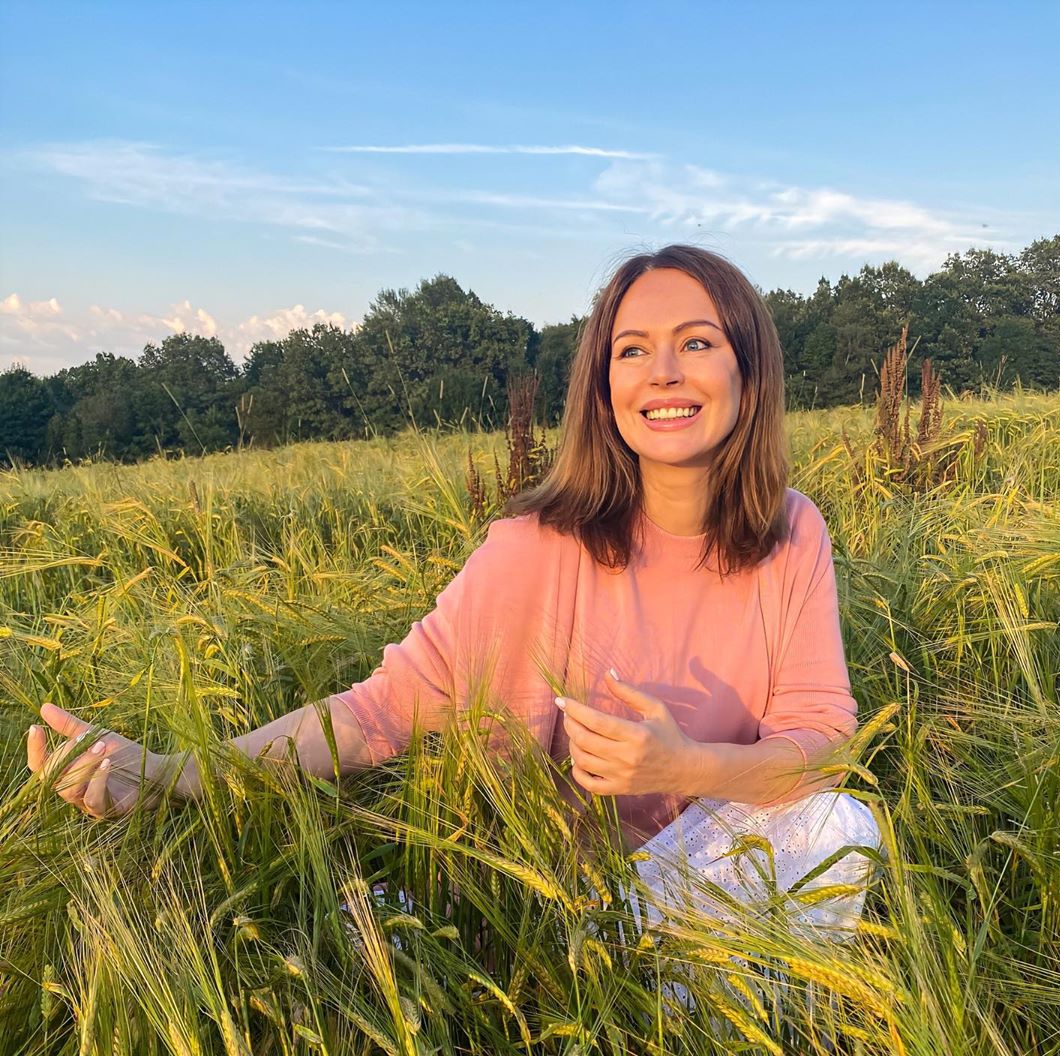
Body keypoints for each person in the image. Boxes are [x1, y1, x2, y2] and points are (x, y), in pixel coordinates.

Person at [25, 245, 881, 931]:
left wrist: (686, 766)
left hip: (720, 865)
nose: (661, 371)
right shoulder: (537, 549)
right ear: (603, 387)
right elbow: (375, 716)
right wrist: (172, 774)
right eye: (631, 350)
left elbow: (823, 742)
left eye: (696, 342)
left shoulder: (791, 531)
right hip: (557, 903)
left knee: (839, 829)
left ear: (748, 371)